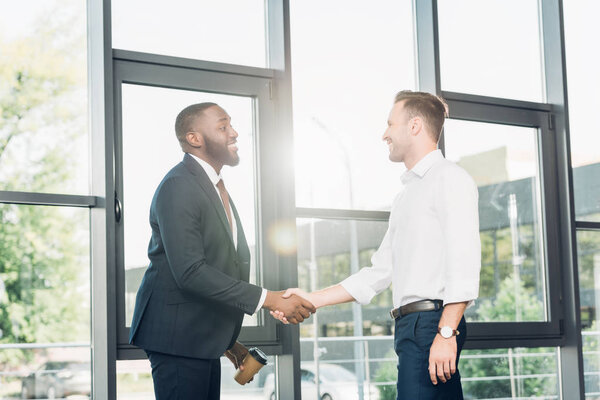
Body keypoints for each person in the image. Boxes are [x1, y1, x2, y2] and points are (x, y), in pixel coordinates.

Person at [272, 91, 481, 399]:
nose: (384, 134)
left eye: (390, 124)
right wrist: (313, 299)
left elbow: (464, 261)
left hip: (431, 325)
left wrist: (446, 333)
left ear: (414, 126)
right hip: (412, 328)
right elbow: (378, 273)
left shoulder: (450, 178)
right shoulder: (406, 197)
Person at [129, 102, 316, 400]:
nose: (234, 133)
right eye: (223, 126)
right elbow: (191, 272)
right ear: (194, 138)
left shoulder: (210, 186)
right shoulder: (179, 185)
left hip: (196, 338)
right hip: (177, 340)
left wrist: (228, 341)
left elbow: (216, 268)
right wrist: (268, 299)